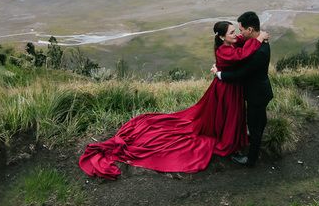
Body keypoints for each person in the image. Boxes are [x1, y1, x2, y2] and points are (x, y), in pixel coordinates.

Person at [78, 20, 268, 179]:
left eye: (236, 31)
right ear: (221, 37)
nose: (236, 35)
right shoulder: (224, 51)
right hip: (226, 89)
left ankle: (232, 136)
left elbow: (244, 41)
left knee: (228, 115)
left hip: (230, 87)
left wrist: (255, 35)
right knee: (227, 114)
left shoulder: (231, 42)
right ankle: (228, 140)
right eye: (232, 32)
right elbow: (242, 54)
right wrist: (258, 39)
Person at [211, 11, 272, 167]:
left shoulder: (259, 51)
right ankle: (251, 141)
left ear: (250, 30)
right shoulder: (257, 43)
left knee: (254, 126)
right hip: (258, 91)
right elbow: (240, 48)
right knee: (258, 122)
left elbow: (241, 73)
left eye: (241, 30)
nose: (239, 33)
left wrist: (220, 74)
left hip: (256, 94)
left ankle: (251, 160)